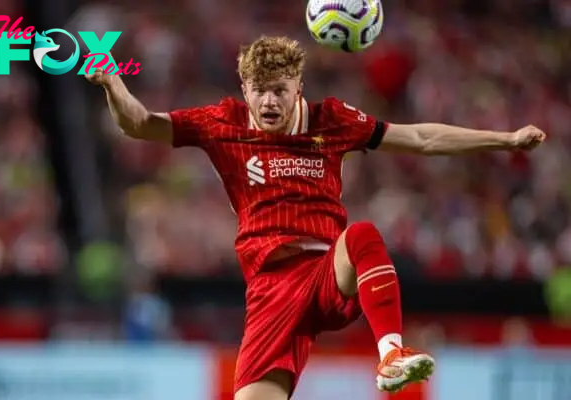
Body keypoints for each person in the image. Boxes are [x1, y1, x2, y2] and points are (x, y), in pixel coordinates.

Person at [86, 36, 546, 399]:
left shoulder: (332, 120)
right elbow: (139, 123)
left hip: (329, 270)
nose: (269, 102)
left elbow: (421, 137)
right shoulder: (221, 122)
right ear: (244, 89)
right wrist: (114, 86)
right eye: (260, 91)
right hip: (271, 290)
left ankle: (390, 355)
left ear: (297, 89)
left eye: (279, 92)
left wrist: (504, 140)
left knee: (362, 234)